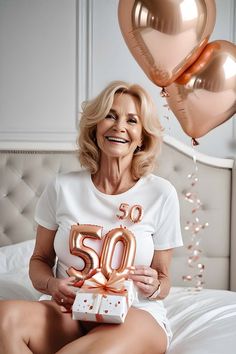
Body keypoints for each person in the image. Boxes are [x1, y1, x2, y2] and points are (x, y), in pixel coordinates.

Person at [0, 81, 183, 354]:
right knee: (4, 319)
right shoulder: (62, 188)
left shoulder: (161, 193)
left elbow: (164, 279)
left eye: (132, 120)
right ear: (95, 127)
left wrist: (155, 285)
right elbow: (40, 260)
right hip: (68, 313)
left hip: (135, 314)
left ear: (142, 136)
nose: (119, 126)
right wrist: (52, 285)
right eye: (110, 115)